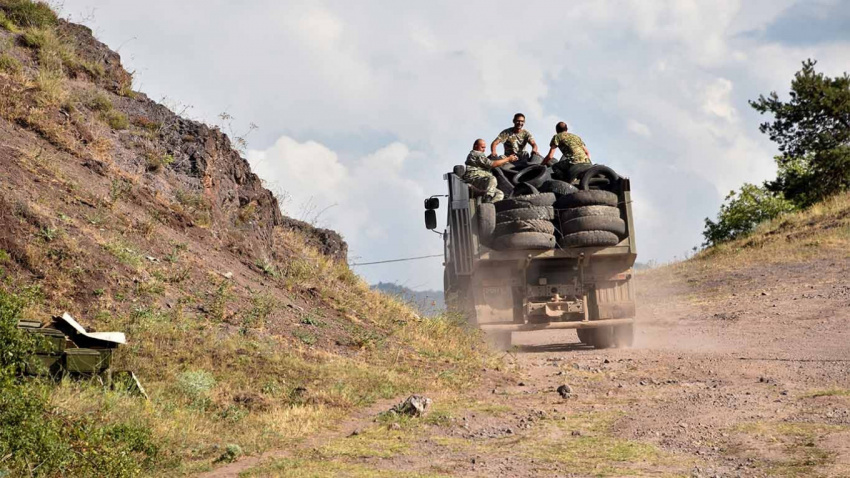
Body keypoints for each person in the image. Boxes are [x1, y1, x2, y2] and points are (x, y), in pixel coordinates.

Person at [463, 138, 517, 203]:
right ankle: (487, 199)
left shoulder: (481, 156)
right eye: (482, 147)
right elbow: (491, 164)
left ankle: (488, 206)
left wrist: (505, 159)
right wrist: (508, 159)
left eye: (485, 148)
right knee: (492, 179)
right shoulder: (476, 154)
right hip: (474, 179)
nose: (484, 150)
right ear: (475, 146)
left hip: (481, 181)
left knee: (499, 194)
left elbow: (491, 163)